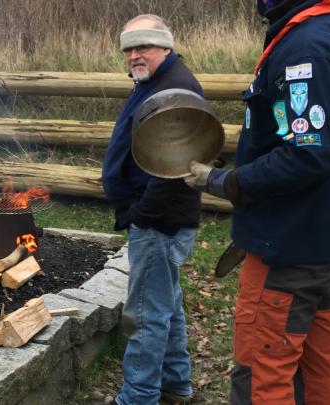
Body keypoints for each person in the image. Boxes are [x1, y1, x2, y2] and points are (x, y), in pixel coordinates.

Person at [186, 0, 330, 403]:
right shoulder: (320, 35)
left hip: (288, 250)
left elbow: (307, 153)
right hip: (319, 243)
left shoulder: (305, 48)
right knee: (320, 370)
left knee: (263, 374)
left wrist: (226, 180)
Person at [100, 14, 203, 405]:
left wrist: (142, 214)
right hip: (159, 218)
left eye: (142, 46)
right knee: (167, 306)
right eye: (128, 48)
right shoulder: (154, 80)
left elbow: (173, 169)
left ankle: (137, 398)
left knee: (144, 315)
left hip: (159, 222)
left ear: (165, 45)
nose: (134, 55)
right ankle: (176, 386)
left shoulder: (175, 89)